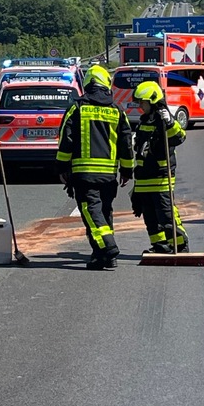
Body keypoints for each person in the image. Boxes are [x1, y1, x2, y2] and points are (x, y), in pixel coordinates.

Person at [56, 65, 134, 269]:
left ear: (88, 84)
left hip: (84, 173)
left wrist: (62, 167)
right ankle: (103, 257)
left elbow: (66, 139)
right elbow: (127, 143)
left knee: (92, 212)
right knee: (104, 211)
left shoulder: (78, 107)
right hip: (109, 174)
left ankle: (108, 247)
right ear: (106, 85)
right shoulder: (117, 110)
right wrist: (127, 170)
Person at [131, 81, 189, 253]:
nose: (140, 106)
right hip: (143, 177)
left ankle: (180, 244)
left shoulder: (163, 120)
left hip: (160, 176)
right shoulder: (143, 121)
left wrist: (170, 122)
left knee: (166, 214)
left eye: (143, 102)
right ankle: (160, 245)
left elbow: (179, 137)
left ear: (153, 101)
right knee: (149, 216)